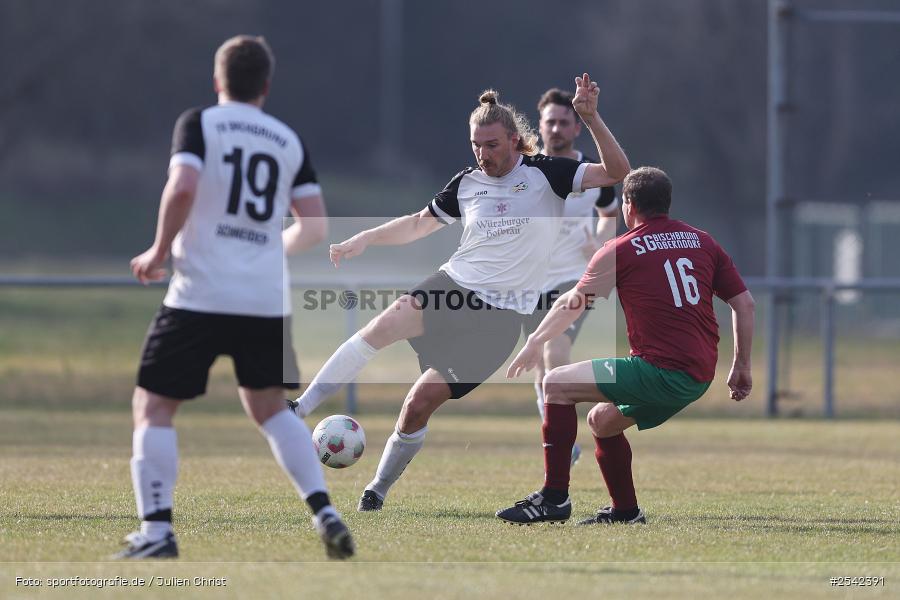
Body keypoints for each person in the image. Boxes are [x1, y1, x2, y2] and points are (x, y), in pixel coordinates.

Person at [290, 73, 630, 512]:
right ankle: (300, 407)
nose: (482, 154)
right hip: (451, 288)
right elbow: (417, 223)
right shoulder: (467, 182)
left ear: (514, 140)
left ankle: (377, 488)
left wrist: (593, 117)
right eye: (475, 145)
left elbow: (618, 172)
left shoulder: (551, 174)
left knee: (418, 403)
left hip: (499, 321)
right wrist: (366, 238)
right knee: (380, 326)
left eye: (491, 145)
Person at [118, 35, 354, 559]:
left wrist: (158, 252)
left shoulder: (200, 123)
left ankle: (156, 534)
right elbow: (314, 226)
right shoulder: (287, 140)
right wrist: (268, 251)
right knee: (271, 409)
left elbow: (181, 188)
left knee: (154, 407)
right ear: (266, 86)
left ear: (218, 80)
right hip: (264, 299)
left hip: (200, 293)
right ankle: (326, 512)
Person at [496, 166, 754, 525]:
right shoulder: (702, 241)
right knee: (602, 421)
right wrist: (741, 365)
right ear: (666, 203)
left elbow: (573, 302)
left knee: (555, 383)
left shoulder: (622, 249)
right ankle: (626, 512)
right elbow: (745, 303)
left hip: (661, 370)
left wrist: (536, 340)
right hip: (698, 374)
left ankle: (553, 498)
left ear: (627, 205)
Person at [523, 88, 620, 466]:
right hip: (530, 282)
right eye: (550, 121)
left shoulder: (592, 171)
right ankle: (557, 432)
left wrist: (599, 244)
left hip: (575, 280)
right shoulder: (525, 168)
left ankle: (562, 440)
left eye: (564, 122)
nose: (556, 128)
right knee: (540, 365)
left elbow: (610, 213)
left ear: (576, 128)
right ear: (540, 126)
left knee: (554, 348)